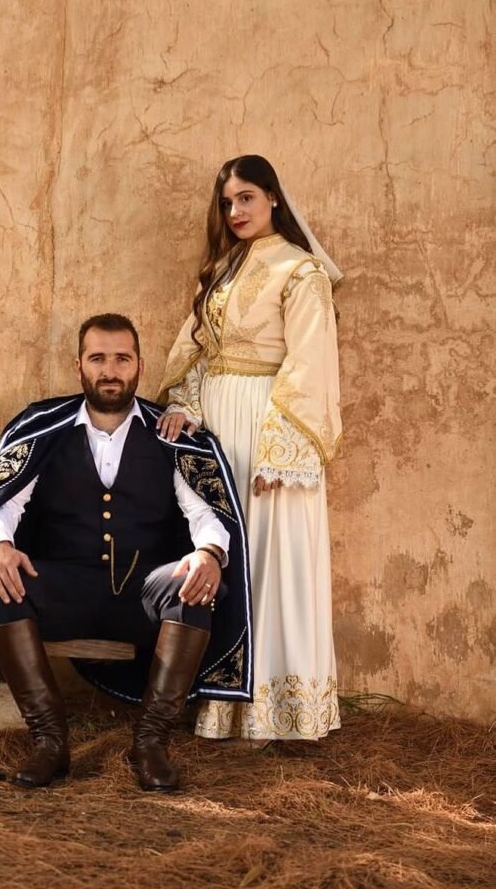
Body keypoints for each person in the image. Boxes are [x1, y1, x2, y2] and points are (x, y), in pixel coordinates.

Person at [0, 313, 252, 791]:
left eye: (122, 358)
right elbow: (5, 503)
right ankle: (50, 744)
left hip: (140, 595)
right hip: (66, 589)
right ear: (79, 365)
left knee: (196, 583)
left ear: (139, 365)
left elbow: (204, 512)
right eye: (98, 358)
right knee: (0, 585)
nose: (110, 370)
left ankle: (150, 742)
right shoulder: (44, 428)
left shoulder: (171, 436)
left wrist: (207, 552)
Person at [156, 155, 342, 744]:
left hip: (267, 428)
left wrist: (280, 452)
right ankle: (224, 703)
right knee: (224, 557)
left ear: (273, 199)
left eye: (247, 199)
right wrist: (186, 404)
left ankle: (277, 714)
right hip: (220, 432)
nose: (235, 212)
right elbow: (197, 352)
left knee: (270, 559)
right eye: (227, 202)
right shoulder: (221, 269)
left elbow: (311, 362)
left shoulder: (300, 270)